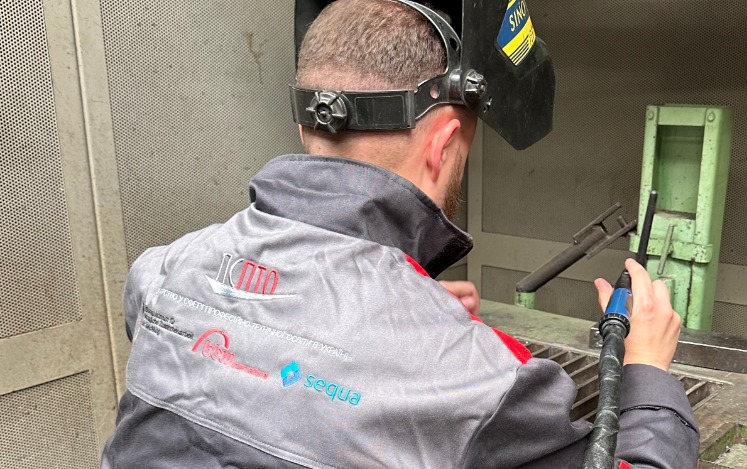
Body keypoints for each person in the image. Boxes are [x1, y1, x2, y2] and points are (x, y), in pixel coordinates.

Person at [101, 0, 699, 467]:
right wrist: (647, 372)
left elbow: (248, 362)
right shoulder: (482, 383)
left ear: (304, 120)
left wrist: (375, 316)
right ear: (442, 144)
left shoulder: (160, 272)